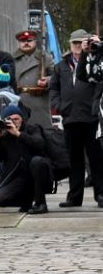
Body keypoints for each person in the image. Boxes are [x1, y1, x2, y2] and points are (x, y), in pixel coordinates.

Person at [50, 29, 103, 208]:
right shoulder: (61, 66)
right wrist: (59, 105)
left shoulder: (94, 61)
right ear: (70, 45)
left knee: (96, 158)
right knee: (74, 160)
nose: (78, 47)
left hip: (91, 117)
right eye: (75, 43)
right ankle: (74, 196)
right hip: (70, 118)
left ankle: (101, 194)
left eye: (82, 43)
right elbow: (54, 89)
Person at [0, 104, 47, 211]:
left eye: (16, 119)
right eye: (11, 120)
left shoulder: (32, 128)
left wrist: (18, 134)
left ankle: (39, 202)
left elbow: (40, 144)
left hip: (35, 174)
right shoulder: (3, 136)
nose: (14, 122)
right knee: (0, 199)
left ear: (21, 119)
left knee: (37, 162)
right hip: (16, 178)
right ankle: (26, 200)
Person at [12, 29, 52, 131]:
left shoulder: (45, 58)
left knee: (42, 137)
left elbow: (55, 76)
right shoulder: (11, 60)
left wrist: (46, 81)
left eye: (29, 40)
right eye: (23, 41)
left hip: (39, 102)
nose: (26, 43)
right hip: (19, 101)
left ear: (35, 41)